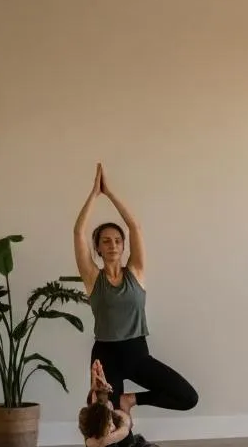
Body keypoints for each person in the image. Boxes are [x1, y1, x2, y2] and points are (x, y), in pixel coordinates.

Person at [73, 163, 198, 414]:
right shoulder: (92, 278)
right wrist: (93, 195)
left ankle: (131, 401)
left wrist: (109, 193)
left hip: (137, 353)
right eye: (106, 241)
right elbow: (78, 232)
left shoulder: (136, 273)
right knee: (107, 421)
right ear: (97, 248)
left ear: (123, 245)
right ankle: (121, 444)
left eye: (118, 241)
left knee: (187, 397)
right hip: (105, 355)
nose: (113, 245)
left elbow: (135, 227)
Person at [77, 359, 147, 447]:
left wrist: (97, 382)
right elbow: (115, 446)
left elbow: (100, 404)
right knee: (117, 437)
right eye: (109, 423)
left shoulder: (99, 417)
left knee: (129, 435)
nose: (112, 424)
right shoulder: (93, 441)